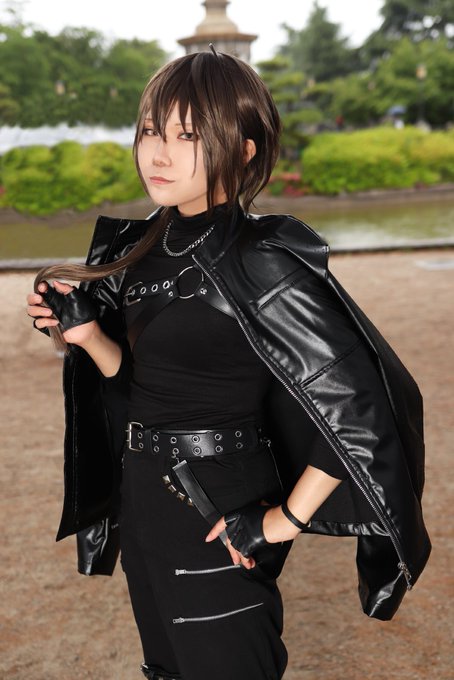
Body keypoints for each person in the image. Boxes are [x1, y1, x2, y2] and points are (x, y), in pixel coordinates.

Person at [26, 48, 431, 680]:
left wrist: (281, 522)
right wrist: (88, 336)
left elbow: (361, 409)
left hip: (215, 506)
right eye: (150, 131)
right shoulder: (142, 251)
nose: (158, 154)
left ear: (243, 150)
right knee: (166, 670)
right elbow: (142, 389)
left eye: (187, 136)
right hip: (144, 503)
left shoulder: (262, 256)